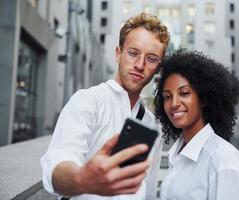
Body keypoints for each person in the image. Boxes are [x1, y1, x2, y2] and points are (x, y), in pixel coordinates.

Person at [40, 12, 170, 200]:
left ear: (158, 67)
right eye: (133, 53)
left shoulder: (152, 124)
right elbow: (58, 163)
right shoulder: (87, 101)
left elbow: (148, 191)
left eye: (151, 58)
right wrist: (82, 179)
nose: (140, 65)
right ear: (118, 53)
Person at [154, 49, 239, 200]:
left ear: (204, 98)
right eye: (167, 97)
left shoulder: (224, 159)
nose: (173, 104)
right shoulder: (177, 154)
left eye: (184, 93)